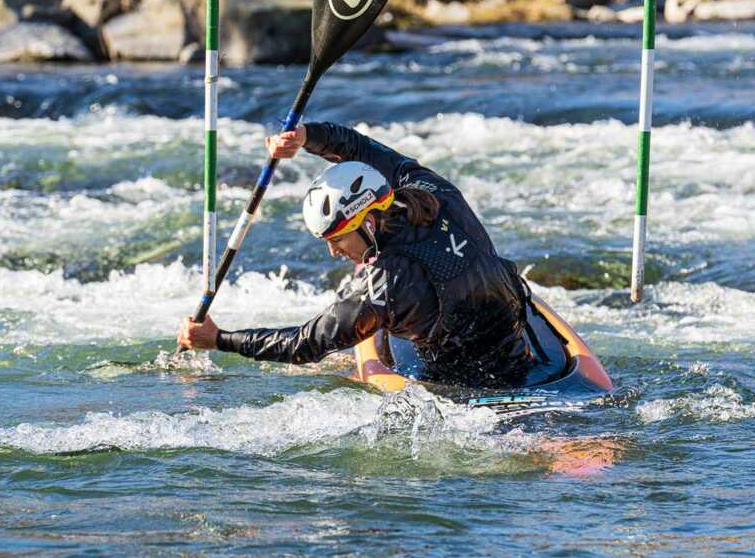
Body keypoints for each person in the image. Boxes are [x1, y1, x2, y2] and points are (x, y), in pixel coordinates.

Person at [176, 122, 554, 388]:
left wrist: (220, 339)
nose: (333, 250)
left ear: (369, 222)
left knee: (335, 365)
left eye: (338, 238)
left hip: (466, 388)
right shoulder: (432, 189)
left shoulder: (383, 287)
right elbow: (358, 148)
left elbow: (304, 344)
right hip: (518, 345)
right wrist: (306, 136)